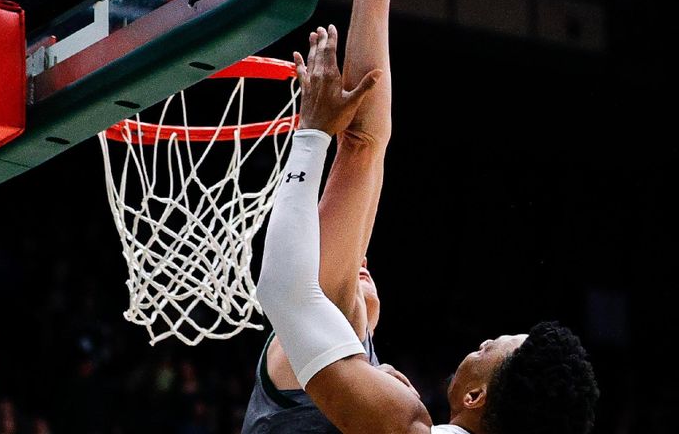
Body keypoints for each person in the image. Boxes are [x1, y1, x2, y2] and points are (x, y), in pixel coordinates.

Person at [256, 25, 600, 434]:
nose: (485, 342)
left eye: (488, 348)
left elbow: (283, 290)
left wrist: (312, 134)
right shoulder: (400, 413)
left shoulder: (403, 422)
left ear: (475, 397)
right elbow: (366, 141)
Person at [241, 0, 437, 433]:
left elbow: (363, 144)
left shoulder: (327, 337)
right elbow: (369, 145)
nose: (356, 255)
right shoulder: (352, 368)